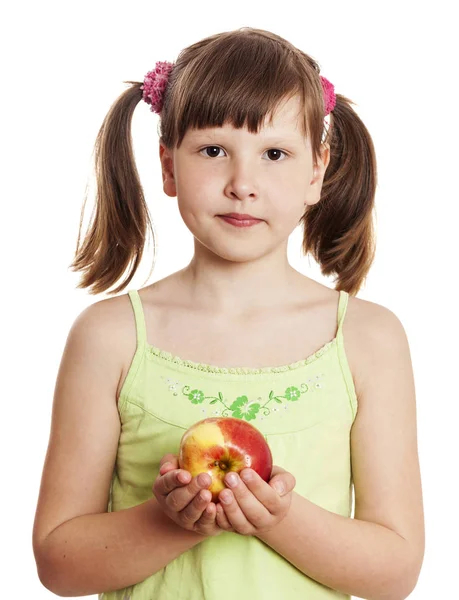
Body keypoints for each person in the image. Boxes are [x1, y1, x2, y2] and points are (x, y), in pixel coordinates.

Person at [32, 27, 425, 600]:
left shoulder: (368, 339)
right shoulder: (111, 337)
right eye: (213, 151)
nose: (243, 184)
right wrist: (169, 521)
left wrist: (275, 516)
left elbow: (395, 572)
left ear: (316, 171)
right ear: (168, 167)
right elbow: (59, 564)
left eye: (274, 154)